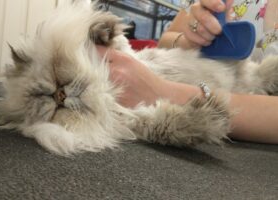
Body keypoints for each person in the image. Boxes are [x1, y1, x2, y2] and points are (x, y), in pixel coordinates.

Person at [97, 0, 278, 144]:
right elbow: (167, 40)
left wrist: (169, 93)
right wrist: (188, 40)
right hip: (171, 72)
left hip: (253, 157)